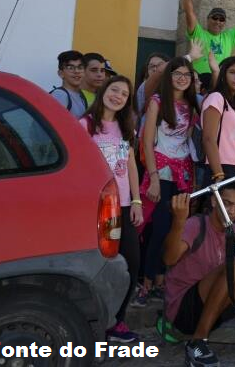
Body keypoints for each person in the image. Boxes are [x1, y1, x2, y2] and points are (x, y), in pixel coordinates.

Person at [162, 183, 235, 367]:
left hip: (212, 309)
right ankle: (197, 342)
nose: (232, 211)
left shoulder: (230, 229)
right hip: (183, 313)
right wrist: (178, 221)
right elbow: (169, 259)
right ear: (214, 200)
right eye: (227, 203)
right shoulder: (196, 224)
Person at [81, 75, 142, 343]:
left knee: (132, 262)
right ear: (103, 91)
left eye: (124, 94)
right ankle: (93, 322)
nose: (117, 96)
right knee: (99, 266)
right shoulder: (85, 124)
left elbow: (131, 165)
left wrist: (137, 201)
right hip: (98, 208)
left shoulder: (126, 127)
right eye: (114, 90)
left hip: (124, 206)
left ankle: (117, 322)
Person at [137, 57, 198, 306]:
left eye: (186, 74)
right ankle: (147, 282)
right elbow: (147, 142)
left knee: (175, 227)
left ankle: (162, 280)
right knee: (159, 228)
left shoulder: (193, 105)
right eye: (177, 74)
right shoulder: (157, 101)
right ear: (168, 76)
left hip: (183, 172)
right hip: (160, 171)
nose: (182, 78)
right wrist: (153, 178)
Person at [201, 56, 235, 180]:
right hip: (221, 166)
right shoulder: (216, 97)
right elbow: (208, 138)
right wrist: (218, 173)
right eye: (232, 72)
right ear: (223, 75)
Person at [50, 50, 88, 117]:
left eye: (80, 67)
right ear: (61, 73)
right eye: (70, 68)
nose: (76, 71)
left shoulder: (81, 96)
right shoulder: (60, 95)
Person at [135, 52, 171, 116]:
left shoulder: (174, 86)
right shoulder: (143, 87)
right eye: (151, 66)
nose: (155, 69)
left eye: (160, 65)